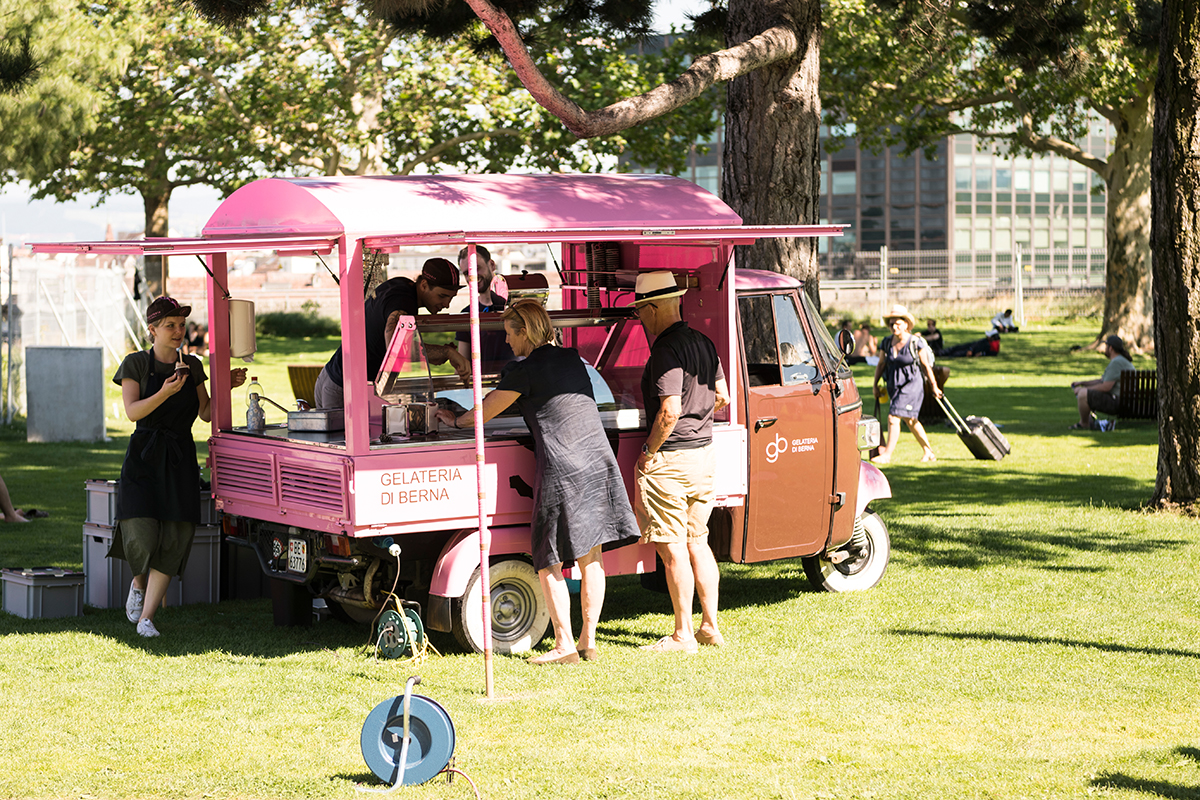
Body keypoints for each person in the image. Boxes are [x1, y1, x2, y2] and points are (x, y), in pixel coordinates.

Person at [435, 300, 639, 665]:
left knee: (548, 559)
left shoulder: (522, 370)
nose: (508, 343)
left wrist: (453, 421)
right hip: (598, 459)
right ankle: (587, 642)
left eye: (510, 334)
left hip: (563, 466)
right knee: (591, 556)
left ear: (525, 331)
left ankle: (563, 646)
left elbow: (485, 410)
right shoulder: (570, 358)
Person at [112, 296, 248, 637]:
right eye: (169, 325)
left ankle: (146, 619)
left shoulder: (194, 365)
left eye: (180, 325)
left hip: (179, 457)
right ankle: (139, 582)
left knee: (176, 534)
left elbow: (204, 413)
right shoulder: (135, 364)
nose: (177, 331)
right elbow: (132, 411)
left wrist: (224, 388)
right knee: (141, 530)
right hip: (144, 455)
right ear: (152, 330)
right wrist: (165, 392)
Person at [632, 271, 731, 654]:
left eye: (641, 311)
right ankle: (710, 627)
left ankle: (682, 634)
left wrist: (647, 453)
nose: (641, 318)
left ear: (655, 307)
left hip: (671, 459)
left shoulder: (666, 350)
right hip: (704, 455)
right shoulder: (703, 342)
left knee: (673, 549)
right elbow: (721, 395)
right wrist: (699, 414)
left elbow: (669, 412)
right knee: (698, 542)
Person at [314, 258, 470, 408]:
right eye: (442, 296)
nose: (446, 304)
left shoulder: (402, 286)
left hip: (333, 379)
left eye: (451, 298)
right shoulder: (403, 301)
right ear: (423, 285)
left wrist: (437, 355)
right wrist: (447, 352)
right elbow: (396, 348)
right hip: (343, 389)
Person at [871, 304, 943, 464]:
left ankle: (887, 455)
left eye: (897, 323)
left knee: (893, 417)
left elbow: (925, 366)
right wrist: (875, 385)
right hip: (894, 385)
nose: (894, 326)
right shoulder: (886, 342)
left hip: (912, 385)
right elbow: (881, 364)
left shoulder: (916, 342)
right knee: (910, 420)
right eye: (891, 323)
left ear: (906, 324)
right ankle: (928, 452)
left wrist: (934, 385)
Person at [455, 245, 515, 373]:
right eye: (467, 273)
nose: (473, 276)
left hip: (520, 385)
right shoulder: (466, 313)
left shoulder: (517, 307)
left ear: (492, 265)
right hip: (484, 387)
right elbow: (462, 364)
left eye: (477, 268)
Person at [1070, 334, 1134, 431]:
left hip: (1119, 403)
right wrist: (1082, 383)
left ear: (1111, 348)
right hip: (1125, 401)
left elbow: (1106, 387)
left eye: (1106, 346)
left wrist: (1083, 389)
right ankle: (1088, 421)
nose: (1105, 349)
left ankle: (1084, 423)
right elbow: (1102, 380)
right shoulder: (1121, 361)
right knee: (1084, 391)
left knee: (1083, 394)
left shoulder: (1116, 363)